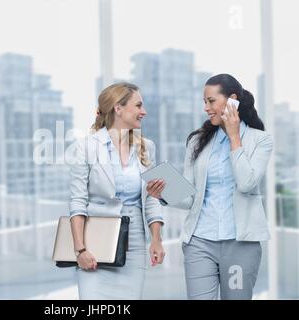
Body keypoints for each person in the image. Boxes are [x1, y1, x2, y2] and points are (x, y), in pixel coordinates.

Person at [147, 74, 273, 300]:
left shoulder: (260, 140)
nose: (206, 108)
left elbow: (246, 183)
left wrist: (234, 137)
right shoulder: (198, 141)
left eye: (211, 101)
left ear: (232, 100)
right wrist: (163, 194)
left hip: (240, 246)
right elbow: (190, 197)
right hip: (199, 243)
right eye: (204, 101)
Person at [68, 82, 165, 300]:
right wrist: (80, 250)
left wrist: (156, 239)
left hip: (135, 243)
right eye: (138, 105)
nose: (144, 112)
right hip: (95, 243)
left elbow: (150, 199)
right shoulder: (86, 147)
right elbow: (77, 201)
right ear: (118, 109)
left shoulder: (147, 147)